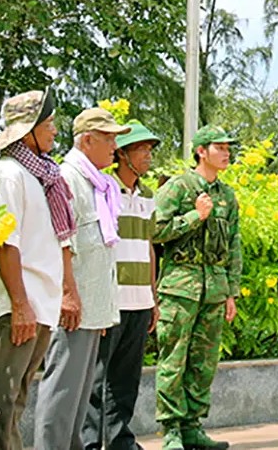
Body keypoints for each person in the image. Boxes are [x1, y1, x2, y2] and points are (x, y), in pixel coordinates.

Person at [0, 90, 77, 450]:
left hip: (38, 306)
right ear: (28, 130)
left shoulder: (41, 177)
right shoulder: (7, 174)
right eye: (48, 125)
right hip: (17, 305)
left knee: (16, 401)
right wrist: (20, 304)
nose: (54, 132)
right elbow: (5, 244)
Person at [35, 107, 130, 450]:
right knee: (62, 389)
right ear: (87, 140)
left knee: (77, 394)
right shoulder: (68, 179)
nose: (115, 147)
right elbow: (61, 245)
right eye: (108, 138)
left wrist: (101, 307)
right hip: (73, 306)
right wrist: (68, 295)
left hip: (90, 305)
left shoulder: (98, 184)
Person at [151, 126, 242, 450]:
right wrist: (195, 216)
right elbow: (154, 230)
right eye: (220, 147)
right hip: (180, 287)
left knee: (203, 364)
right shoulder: (179, 186)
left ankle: (192, 427)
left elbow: (233, 245)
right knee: (174, 360)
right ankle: (171, 430)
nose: (227, 153)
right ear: (201, 150)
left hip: (214, 289)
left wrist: (231, 291)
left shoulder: (227, 195)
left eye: (229, 148)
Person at [83, 122, 162, 450]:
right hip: (110, 301)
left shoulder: (147, 195)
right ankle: (89, 443)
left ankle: (119, 440)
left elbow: (149, 247)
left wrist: (153, 298)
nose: (148, 155)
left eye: (149, 149)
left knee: (126, 380)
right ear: (122, 154)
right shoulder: (103, 188)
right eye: (141, 148)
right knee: (96, 379)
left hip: (140, 301)